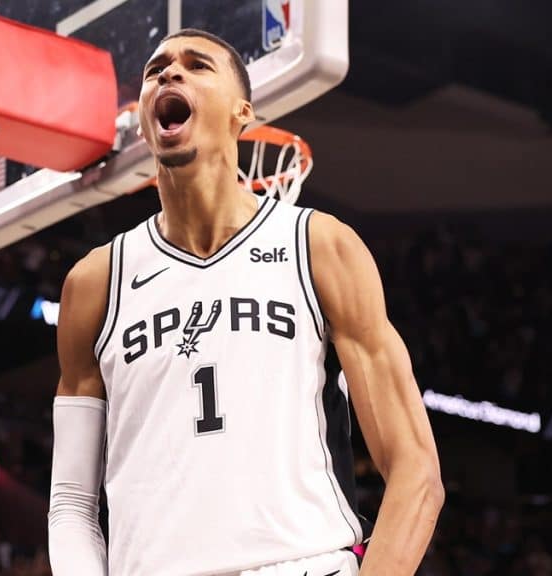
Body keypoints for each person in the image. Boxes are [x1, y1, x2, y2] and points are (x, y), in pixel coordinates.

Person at [48, 28, 444, 576]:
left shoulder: (319, 246)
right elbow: (71, 501)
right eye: (155, 70)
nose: (169, 73)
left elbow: (416, 470)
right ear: (142, 120)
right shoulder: (96, 282)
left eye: (197, 65)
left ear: (243, 112)